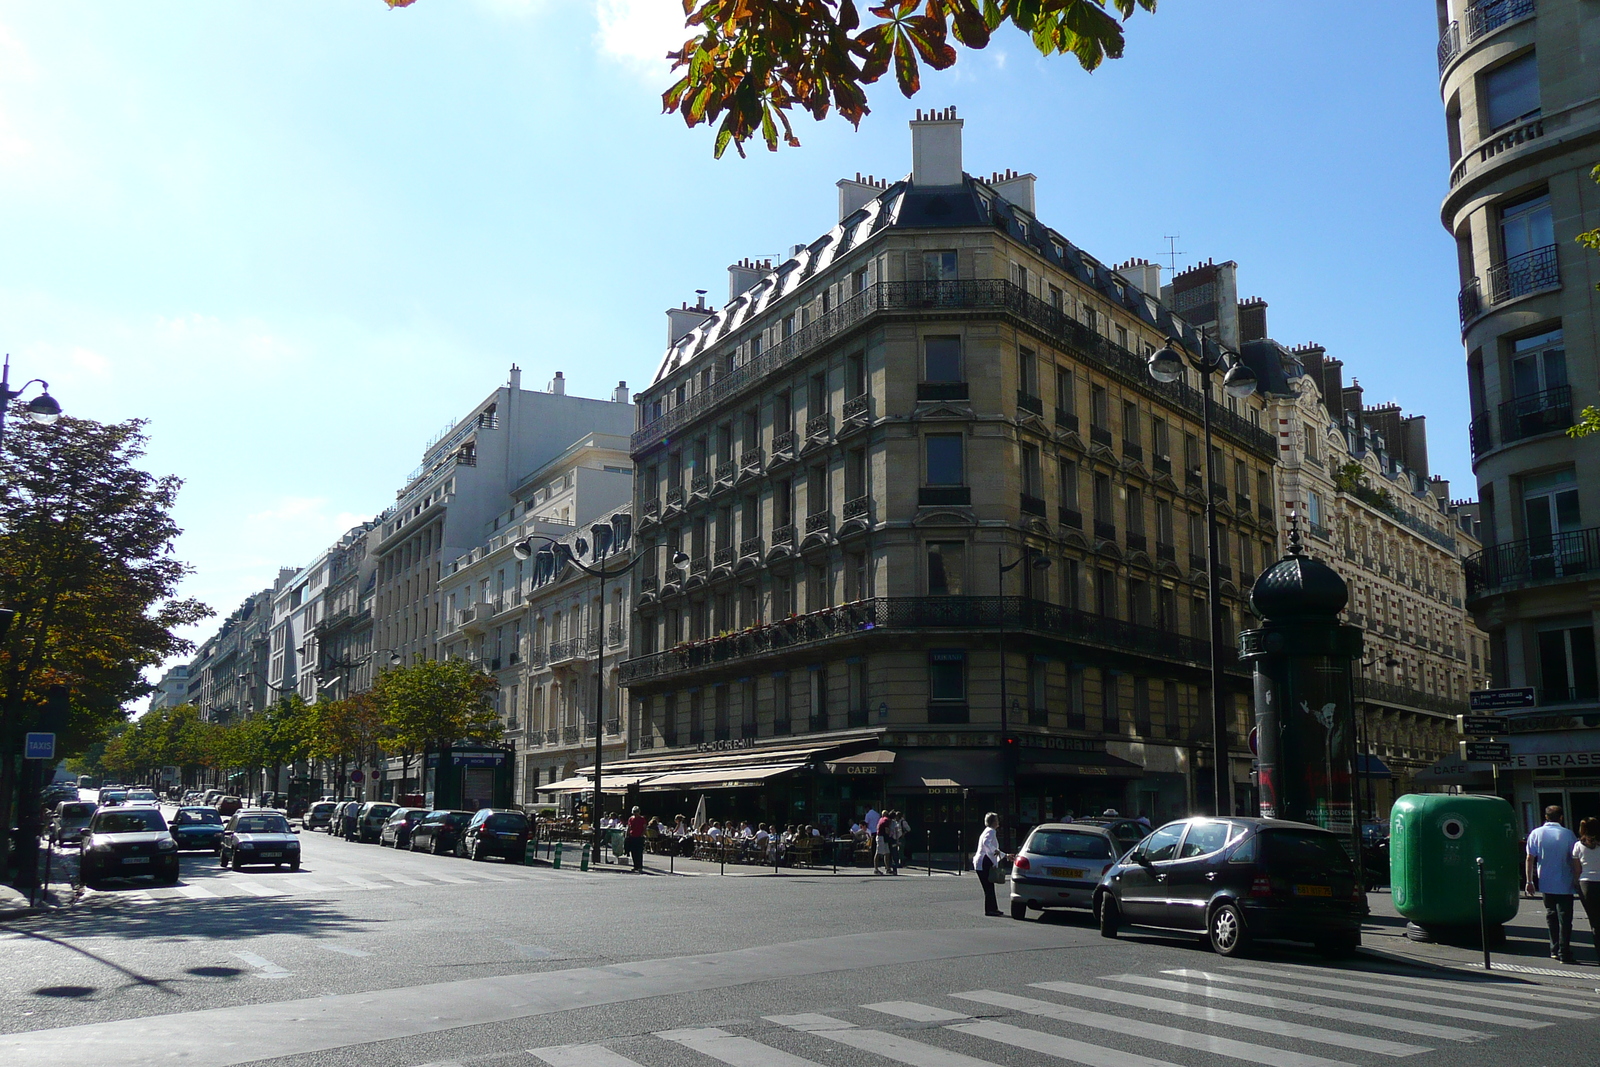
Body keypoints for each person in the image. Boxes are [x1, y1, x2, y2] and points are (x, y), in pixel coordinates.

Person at [1527, 804, 1581, 963]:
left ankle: (1554, 949)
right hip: (1565, 882)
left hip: (1546, 881)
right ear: (1561, 817)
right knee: (1565, 918)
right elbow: (1573, 859)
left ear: (1546, 817)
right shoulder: (1568, 834)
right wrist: (1577, 879)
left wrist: (1529, 881)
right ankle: (1565, 951)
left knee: (1551, 916)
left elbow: (1530, 858)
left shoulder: (1536, 833)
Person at [1575, 817, 1600, 965]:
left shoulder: (1578, 846)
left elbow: (1577, 869)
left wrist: (1575, 884)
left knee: (1595, 921)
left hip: (1587, 884)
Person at [973, 812, 1007, 916]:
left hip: (982, 861)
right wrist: (995, 851)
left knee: (990, 886)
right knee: (988, 887)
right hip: (984, 862)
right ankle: (990, 910)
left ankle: (993, 908)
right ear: (993, 821)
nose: (998, 821)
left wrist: (1004, 855)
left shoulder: (988, 831)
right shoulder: (991, 831)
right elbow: (986, 843)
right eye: (997, 819)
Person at [625, 805, 647, 873]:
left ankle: (640, 866)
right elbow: (629, 827)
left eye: (637, 811)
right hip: (632, 836)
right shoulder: (631, 819)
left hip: (639, 837)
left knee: (639, 852)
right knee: (633, 852)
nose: (636, 813)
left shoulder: (642, 819)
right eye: (634, 812)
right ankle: (635, 866)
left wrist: (642, 834)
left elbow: (644, 827)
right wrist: (627, 835)